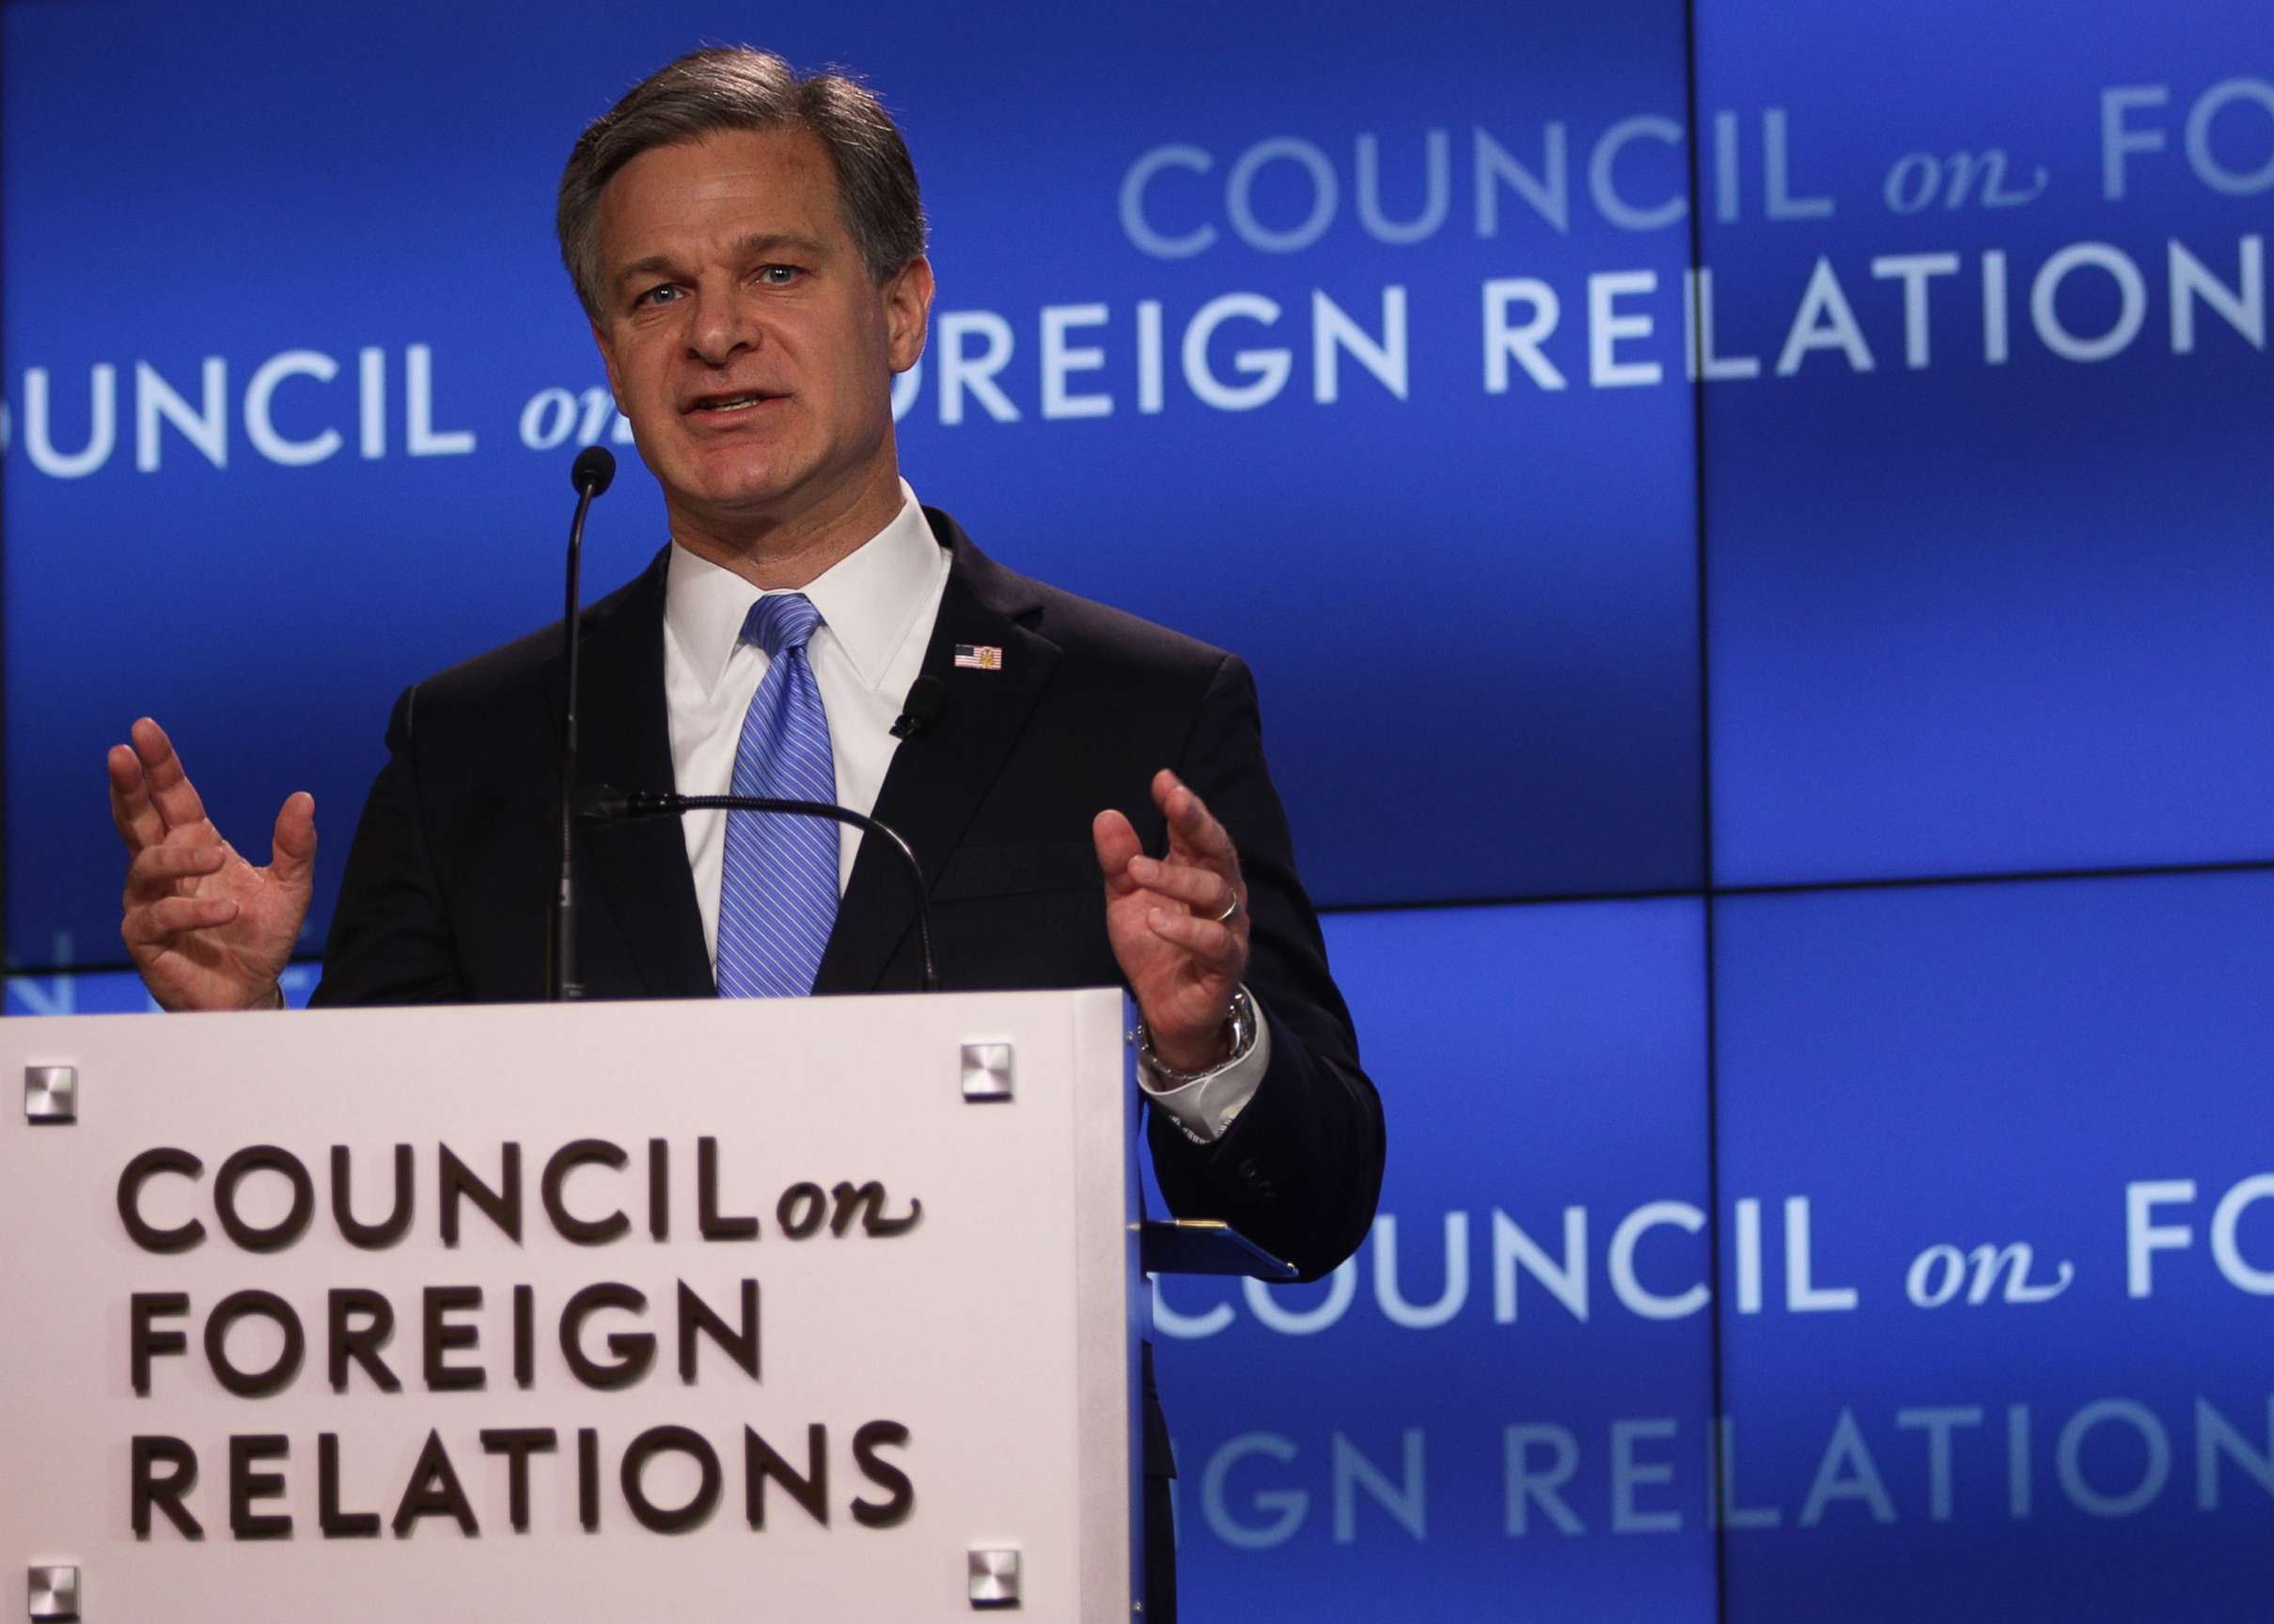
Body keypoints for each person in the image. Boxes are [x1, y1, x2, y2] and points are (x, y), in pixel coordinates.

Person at [104, 45, 1382, 1619]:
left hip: (1003, 1548)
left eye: (776, 269)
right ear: (606, 348)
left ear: (900, 308)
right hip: (569, 1562)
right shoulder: (476, 745)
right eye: (655, 294)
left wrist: (1202, 1044)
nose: (714, 334)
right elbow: (375, 1260)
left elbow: (1314, 1207)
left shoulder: (1136, 715)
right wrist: (242, 1047)